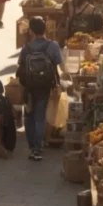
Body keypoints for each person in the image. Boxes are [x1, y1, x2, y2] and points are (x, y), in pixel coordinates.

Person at [16, 16, 65, 161]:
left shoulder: (27, 48)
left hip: (29, 86)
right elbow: (61, 66)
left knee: (29, 116)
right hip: (45, 86)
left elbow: (20, 67)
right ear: (46, 29)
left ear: (30, 31)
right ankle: (38, 148)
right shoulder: (53, 45)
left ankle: (32, 146)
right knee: (40, 116)